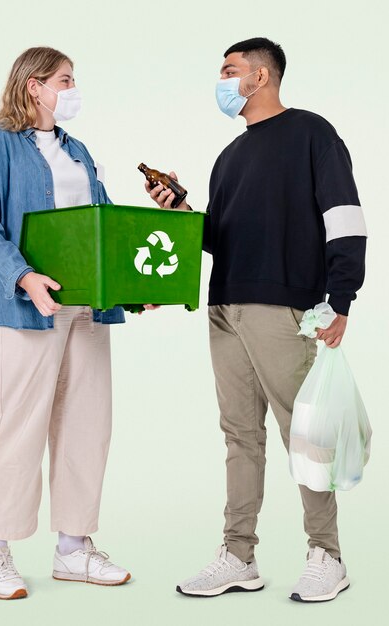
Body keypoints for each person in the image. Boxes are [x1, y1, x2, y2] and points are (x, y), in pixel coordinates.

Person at [145, 37, 367, 602]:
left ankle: (327, 554)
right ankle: (238, 555)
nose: (222, 81)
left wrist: (342, 297)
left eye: (230, 70)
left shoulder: (312, 134)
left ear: (261, 76)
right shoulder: (230, 156)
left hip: (282, 306)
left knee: (303, 434)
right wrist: (183, 211)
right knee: (241, 437)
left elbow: (344, 215)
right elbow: (221, 239)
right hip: (225, 306)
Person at [0, 46, 146, 600]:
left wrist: (135, 291)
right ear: (33, 85)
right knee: (18, 425)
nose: (72, 89)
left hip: (87, 309)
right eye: (64, 80)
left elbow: (102, 224)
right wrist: (24, 277)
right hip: (26, 308)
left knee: (87, 424)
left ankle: (74, 549)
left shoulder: (78, 151)